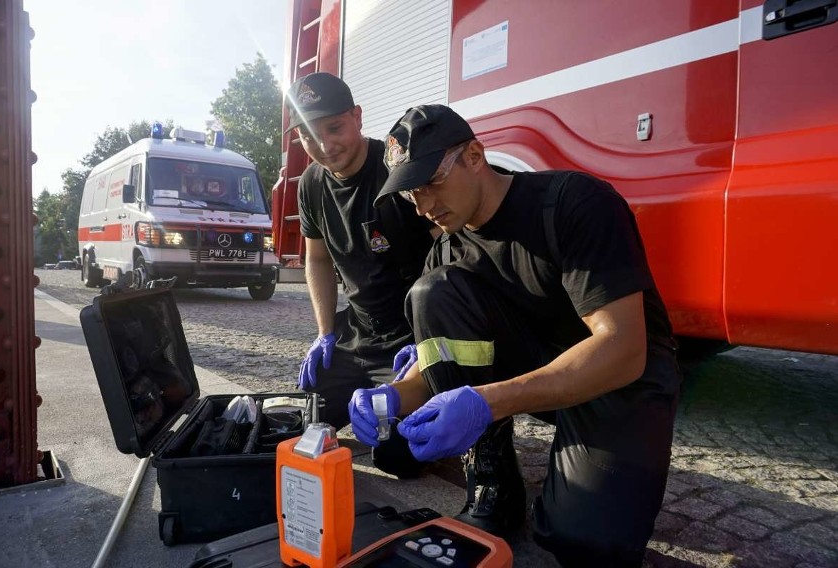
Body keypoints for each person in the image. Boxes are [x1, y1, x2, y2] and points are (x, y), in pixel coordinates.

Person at [348, 104, 682, 567]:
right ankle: (494, 482)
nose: (423, 205)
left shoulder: (574, 202)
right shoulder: (446, 248)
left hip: (618, 379)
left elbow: (624, 349)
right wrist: (390, 397)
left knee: (584, 542)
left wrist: (488, 402)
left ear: (474, 155)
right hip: (537, 367)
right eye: (410, 194)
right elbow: (439, 365)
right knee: (432, 294)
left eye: (430, 183)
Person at [285, 73, 436, 475]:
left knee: (398, 458)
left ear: (357, 117)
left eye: (334, 128)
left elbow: (451, 249)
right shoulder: (311, 184)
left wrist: (431, 344)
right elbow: (316, 260)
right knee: (308, 423)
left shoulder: (397, 169)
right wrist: (323, 333)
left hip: (409, 337)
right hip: (357, 334)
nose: (324, 146)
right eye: (307, 137)